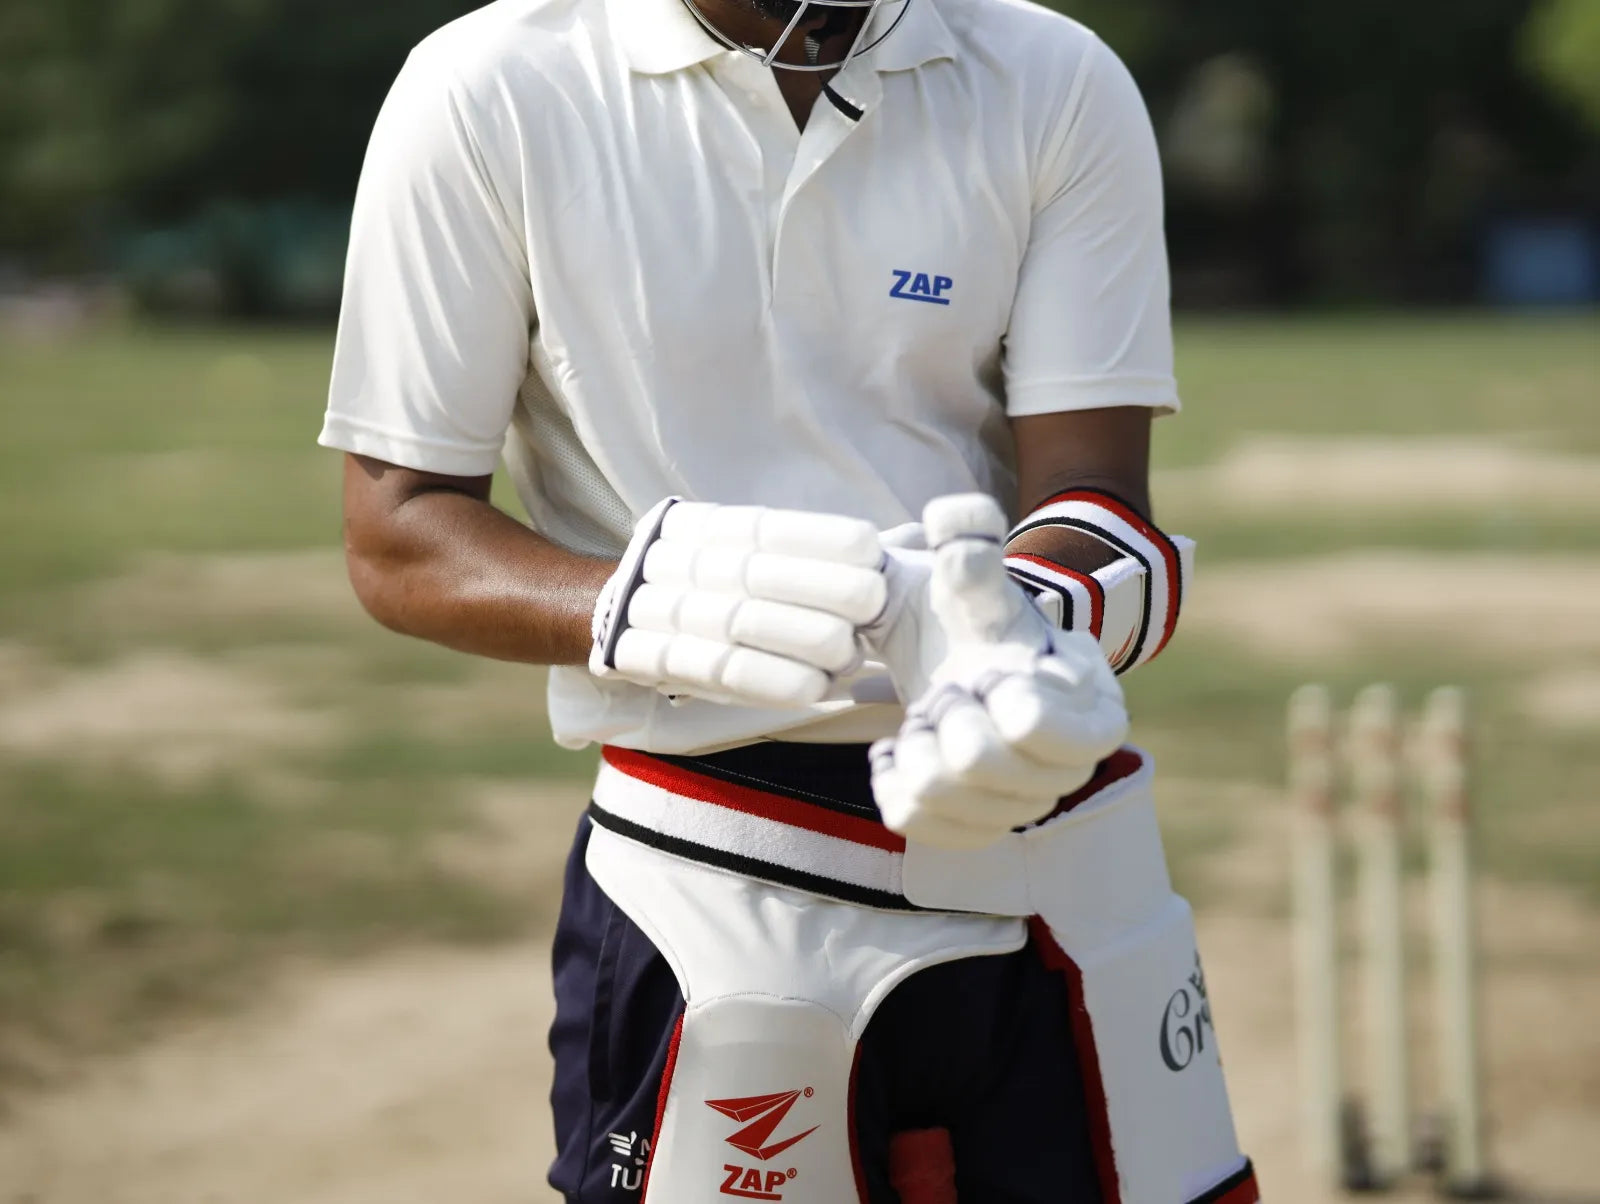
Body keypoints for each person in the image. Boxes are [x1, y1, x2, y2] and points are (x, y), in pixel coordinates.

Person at [319, 0, 1261, 1198]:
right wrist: (655, 602)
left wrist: (1010, 634)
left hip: (1056, 872)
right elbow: (399, 534)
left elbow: (1091, 490)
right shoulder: (485, 84)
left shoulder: (1047, 71)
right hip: (711, 878)